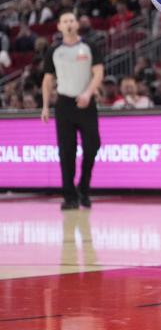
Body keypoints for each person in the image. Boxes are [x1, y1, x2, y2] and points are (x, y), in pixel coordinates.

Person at [41, 11, 104, 210]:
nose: (69, 24)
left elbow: (98, 73)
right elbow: (47, 79)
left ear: (77, 24)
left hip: (86, 103)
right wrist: (44, 106)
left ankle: (84, 187)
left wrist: (88, 93)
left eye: (71, 20)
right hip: (64, 105)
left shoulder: (89, 46)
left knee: (93, 145)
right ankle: (69, 196)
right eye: (65, 21)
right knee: (66, 151)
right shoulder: (54, 51)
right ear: (59, 26)